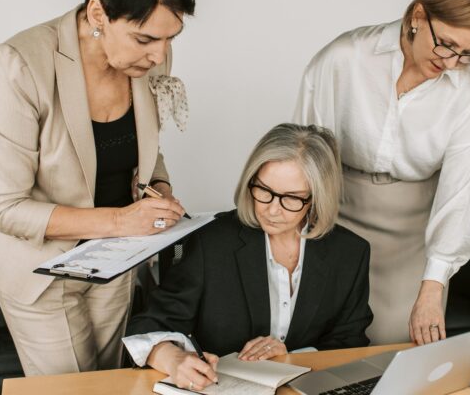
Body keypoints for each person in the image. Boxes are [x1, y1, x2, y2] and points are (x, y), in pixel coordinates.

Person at [0, 0, 195, 375]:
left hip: (115, 261)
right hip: (38, 268)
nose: (160, 54)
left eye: (169, 38)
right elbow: (7, 208)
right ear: (96, 14)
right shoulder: (19, 65)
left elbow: (145, 147)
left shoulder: (150, 57)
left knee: (109, 382)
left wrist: (158, 188)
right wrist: (123, 220)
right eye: (145, 38)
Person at [294, 0, 470, 346]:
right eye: (447, 45)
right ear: (418, 16)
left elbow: (458, 197)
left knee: (398, 349)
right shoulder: (345, 58)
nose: (453, 63)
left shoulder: (466, 95)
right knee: (323, 341)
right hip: (334, 217)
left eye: (469, 52)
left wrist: (433, 287)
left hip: (413, 239)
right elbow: (305, 155)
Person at [123, 123, 373, 391]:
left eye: (291, 198)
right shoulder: (210, 242)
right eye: (264, 191)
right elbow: (146, 325)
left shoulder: (350, 253)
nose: (272, 210)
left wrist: (291, 354)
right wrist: (172, 358)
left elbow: (349, 341)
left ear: (316, 198)